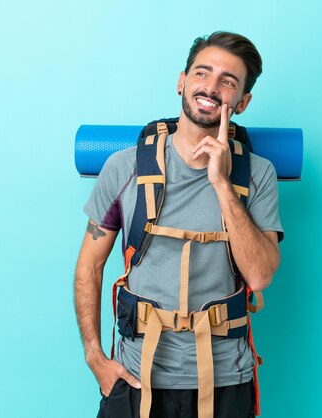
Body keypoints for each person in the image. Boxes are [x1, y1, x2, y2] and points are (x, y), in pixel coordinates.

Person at [74, 31, 284, 418]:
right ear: (182, 81)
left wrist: (221, 184)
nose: (211, 87)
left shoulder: (257, 175)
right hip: (137, 378)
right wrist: (94, 356)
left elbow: (259, 276)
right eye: (202, 73)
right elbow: (89, 266)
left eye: (228, 81)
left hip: (225, 381)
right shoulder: (124, 167)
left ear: (243, 102)